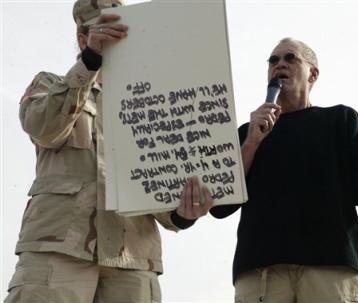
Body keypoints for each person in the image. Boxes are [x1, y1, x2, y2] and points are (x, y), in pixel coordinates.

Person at [5, 1, 213, 302]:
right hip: (59, 248)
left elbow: (159, 183)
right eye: (104, 32)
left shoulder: (152, 106)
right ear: (82, 38)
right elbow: (44, 128)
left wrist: (182, 214)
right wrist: (91, 60)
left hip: (133, 257)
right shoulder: (49, 85)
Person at [210, 37, 358, 302]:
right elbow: (220, 205)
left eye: (290, 58)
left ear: (313, 73)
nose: (280, 64)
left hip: (331, 271)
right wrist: (252, 142)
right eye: (273, 60)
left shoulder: (342, 121)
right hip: (262, 276)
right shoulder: (247, 134)